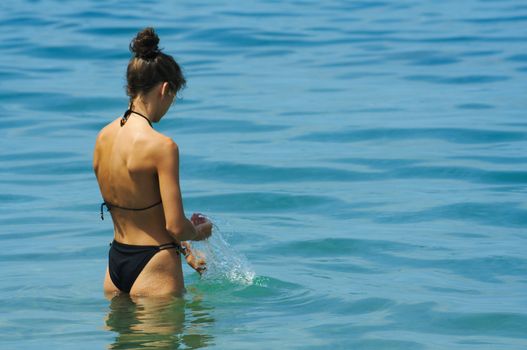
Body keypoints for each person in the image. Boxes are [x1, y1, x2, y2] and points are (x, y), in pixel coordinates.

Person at [93, 27, 212, 297]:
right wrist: (200, 232)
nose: (169, 105)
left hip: (115, 266)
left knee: (123, 341)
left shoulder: (103, 138)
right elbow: (175, 225)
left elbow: (139, 210)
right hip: (155, 266)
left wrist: (185, 250)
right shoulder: (162, 146)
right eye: (172, 97)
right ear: (165, 89)